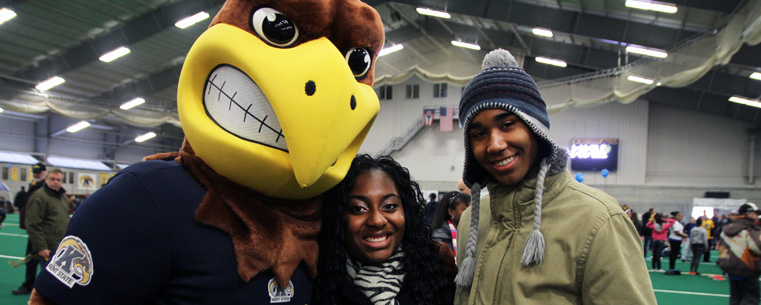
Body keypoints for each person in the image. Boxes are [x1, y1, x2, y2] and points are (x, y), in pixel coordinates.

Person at [452, 49, 655, 304]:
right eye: (479, 133)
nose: (495, 144)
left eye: (507, 125)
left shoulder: (599, 221)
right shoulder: (472, 220)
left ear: (536, 130)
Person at [312, 154, 456, 305]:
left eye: (389, 206)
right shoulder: (315, 280)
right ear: (337, 215)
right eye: (358, 208)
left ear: (405, 211)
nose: (377, 220)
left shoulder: (437, 271)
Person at [11, 162, 46, 296]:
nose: (36, 174)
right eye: (35, 172)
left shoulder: (43, 188)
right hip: (34, 228)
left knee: (43, 260)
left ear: (44, 172)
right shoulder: (34, 187)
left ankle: (40, 286)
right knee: (32, 258)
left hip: (41, 229)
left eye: (39, 171)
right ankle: (30, 284)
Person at [25, 168, 69, 270]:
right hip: (48, 249)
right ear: (46, 179)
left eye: (58, 180)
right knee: (47, 281)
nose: (56, 182)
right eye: (52, 179)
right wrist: (41, 247)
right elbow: (32, 224)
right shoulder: (39, 197)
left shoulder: (63, 198)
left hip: (61, 247)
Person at [717, 203, 761, 305]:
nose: (757, 216)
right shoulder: (750, 230)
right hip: (747, 267)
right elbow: (757, 248)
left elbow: (721, 248)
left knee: (735, 297)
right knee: (751, 298)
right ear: (749, 214)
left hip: (730, 267)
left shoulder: (726, 229)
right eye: (755, 213)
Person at [431, 191, 471, 256]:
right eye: (465, 210)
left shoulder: (470, 231)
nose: (469, 214)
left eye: (471, 210)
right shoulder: (440, 235)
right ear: (451, 212)